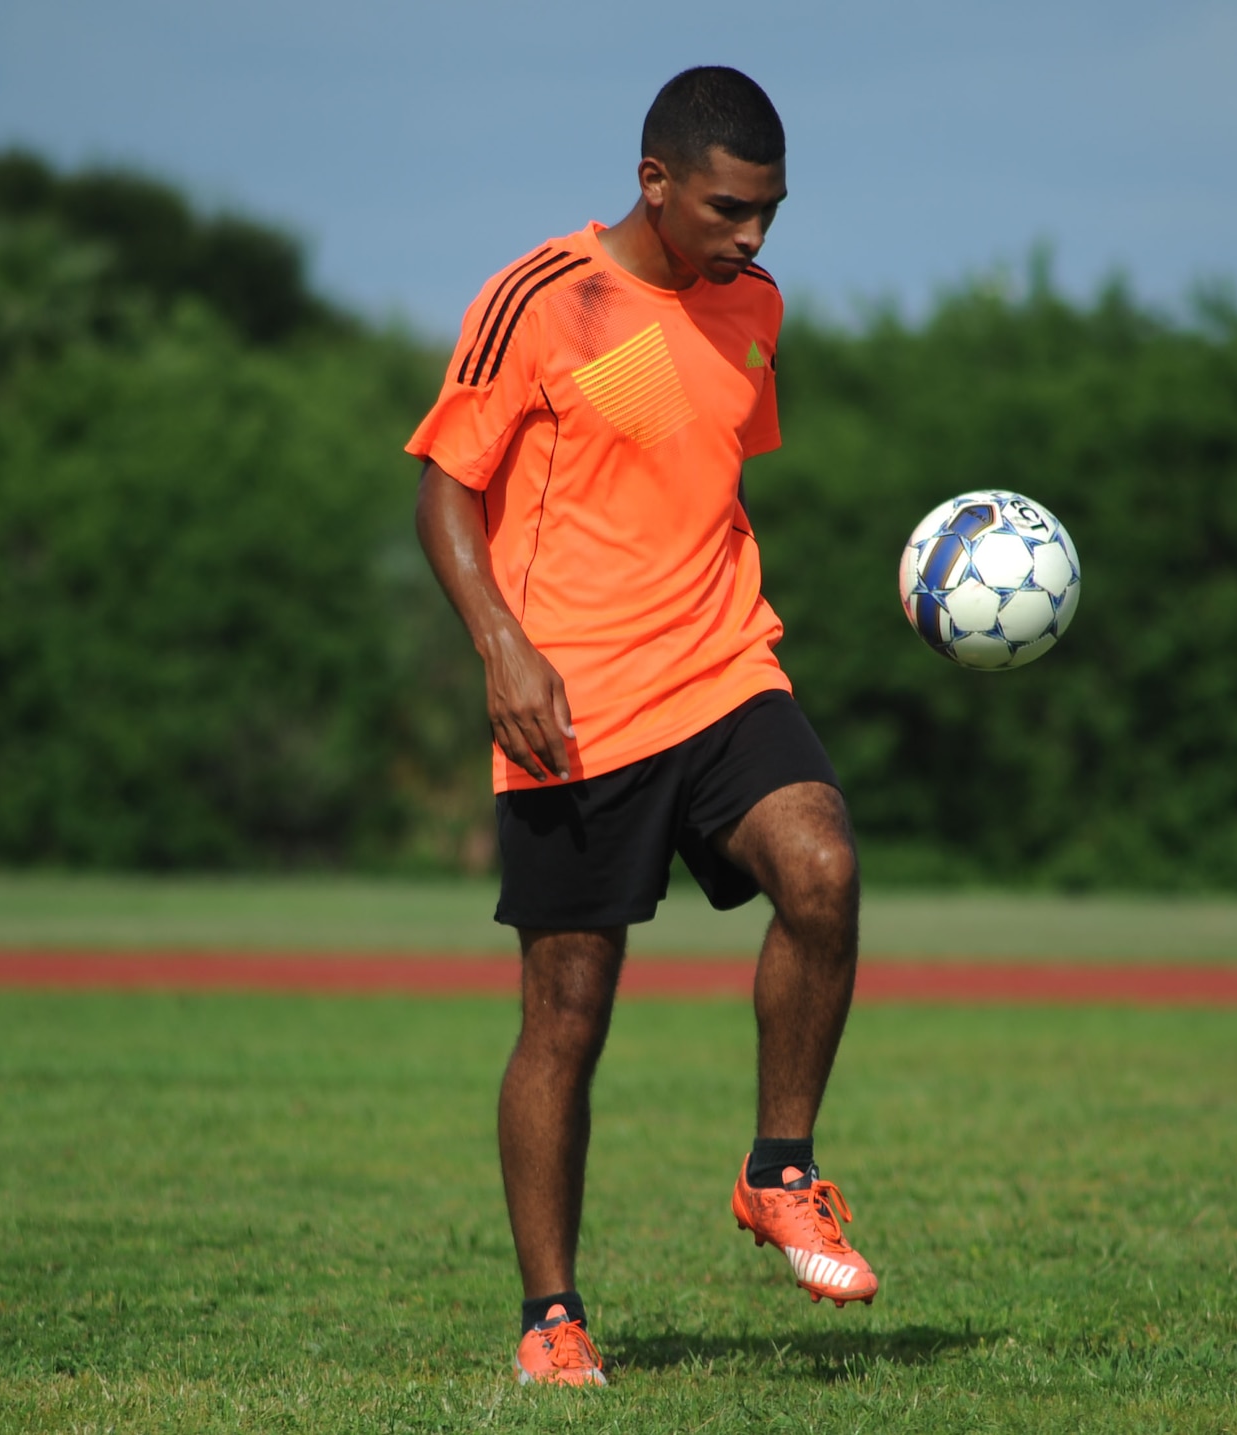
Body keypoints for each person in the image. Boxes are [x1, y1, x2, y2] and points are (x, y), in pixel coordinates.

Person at [408, 65, 874, 1388]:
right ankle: (550, 1318)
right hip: (575, 701)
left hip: (723, 664)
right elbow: (446, 491)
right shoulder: (540, 300)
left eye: (772, 211)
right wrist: (503, 648)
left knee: (825, 869)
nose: (754, 237)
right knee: (567, 1010)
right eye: (730, 208)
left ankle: (780, 1173)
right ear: (654, 179)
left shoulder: (756, 308)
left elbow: (699, 475)